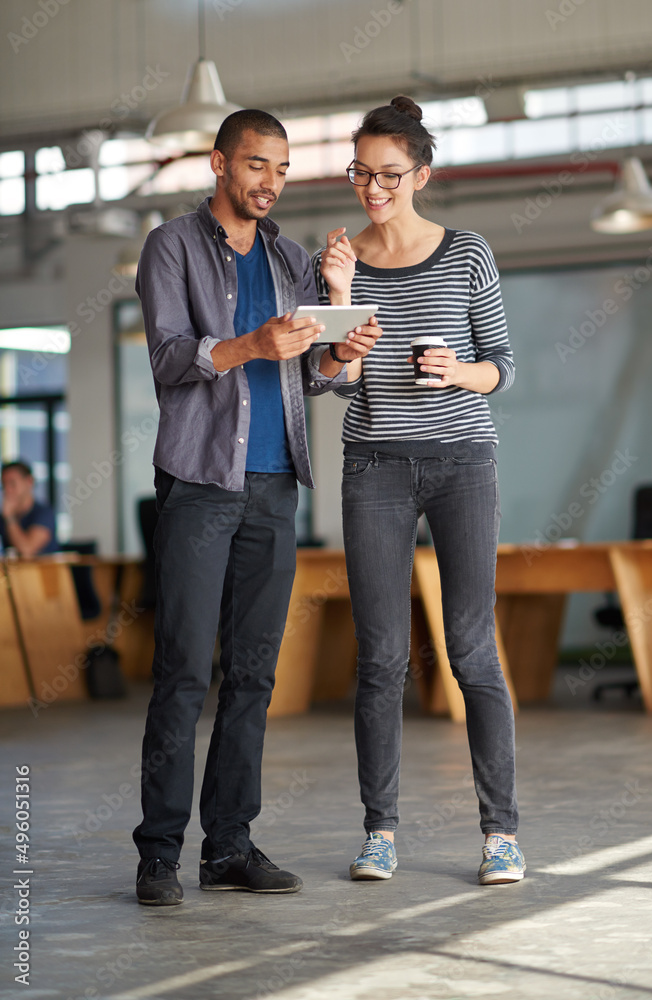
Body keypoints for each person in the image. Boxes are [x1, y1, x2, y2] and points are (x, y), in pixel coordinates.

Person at [132, 108, 380, 906]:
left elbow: (314, 378)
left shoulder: (293, 259)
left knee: (253, 676)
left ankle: (228, 847)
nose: (268, 182)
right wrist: (249, 345)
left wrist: (341, 343)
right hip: (201, 484)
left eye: (279, 168)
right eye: (254, 165)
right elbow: (172, 357)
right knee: (180, 674)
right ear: (218, 163)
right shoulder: (171, 246)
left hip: (276, 488)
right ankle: (159, 855)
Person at [315, 96, 524, 886]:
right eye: (361, 173)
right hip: (374, 467)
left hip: (464, 460)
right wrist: (339, 299)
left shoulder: (468, 252)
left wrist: (454, 370)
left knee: (472, 650)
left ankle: (501, 834)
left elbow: (503, 364)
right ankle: (380, 832)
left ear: (421, 174)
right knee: (381, 658)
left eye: (388, 174)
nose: (372, 188)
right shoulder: (340, 258)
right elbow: (332, 383)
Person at [1, 460, 59, 557]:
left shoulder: (44, 513)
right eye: (4, 485)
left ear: (29, 481)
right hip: (13, 571)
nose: (7, 490)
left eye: (12, 483)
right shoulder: (3, 516)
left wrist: (10, 518)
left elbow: (26, 550)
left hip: (43, 571)